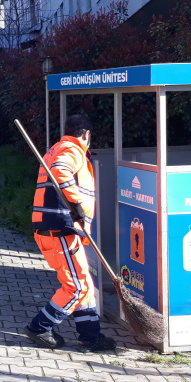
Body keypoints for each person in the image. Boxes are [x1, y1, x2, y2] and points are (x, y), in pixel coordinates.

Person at [25, 114, 116, 352]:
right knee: (75, 287)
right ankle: (39, 327)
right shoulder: (71, 150)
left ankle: (90, 336)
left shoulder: (56, 148)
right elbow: (60, 171)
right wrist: (75, 204)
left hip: (58, 228)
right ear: (86, 134)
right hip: (60, 229)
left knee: (83, 283)